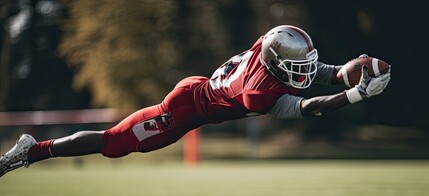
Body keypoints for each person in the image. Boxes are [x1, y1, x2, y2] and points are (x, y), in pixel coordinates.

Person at [0, 25, 391, 177]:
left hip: (199, 91)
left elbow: (324, 72)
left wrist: (362, 65)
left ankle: (34, 151)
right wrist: (356, 94)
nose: (304, 70)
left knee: (114, 144)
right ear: (275, 62)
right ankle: (34, 150)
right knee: (113, 144)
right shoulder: (258, 93)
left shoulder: (268, 51)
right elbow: (311, 107)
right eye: (296, 64)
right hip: (182, 109)